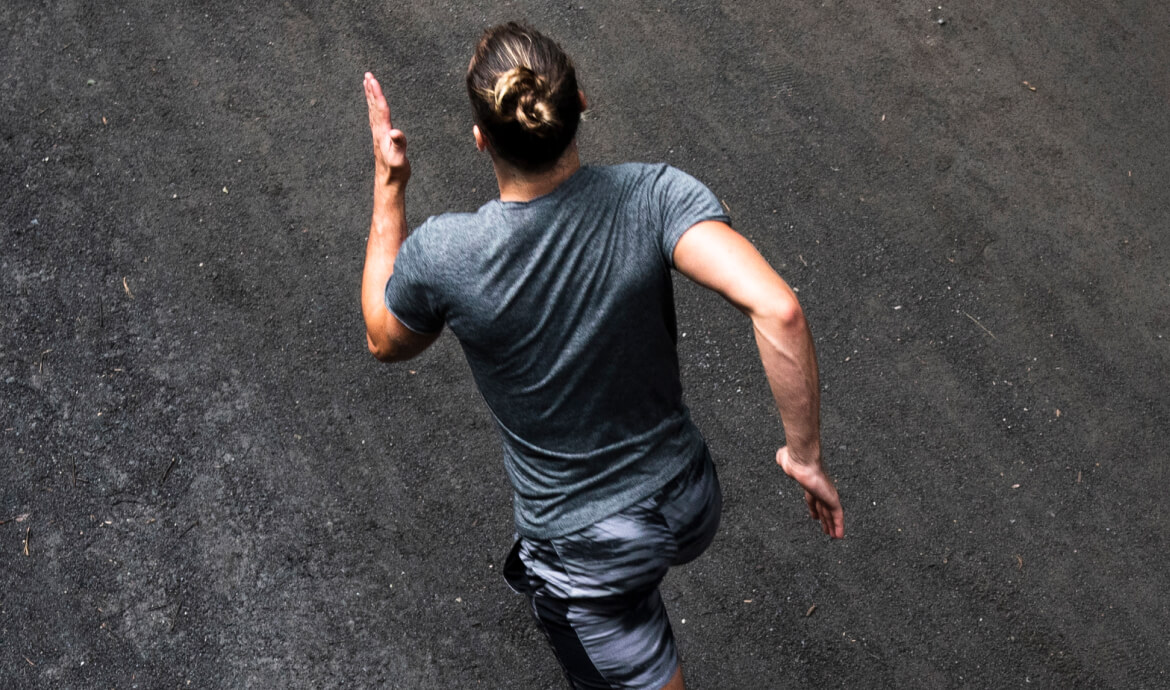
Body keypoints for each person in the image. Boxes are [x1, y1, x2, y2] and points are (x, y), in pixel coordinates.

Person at [360, 22, 844, 690]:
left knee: (597, 601)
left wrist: (390, 184)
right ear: (580, 102)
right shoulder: (653, 196)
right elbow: (778, 309)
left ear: (481, 139)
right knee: (609, 562)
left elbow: (385, 339)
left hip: (590, 547)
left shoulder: (447, 255)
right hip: (689, 500)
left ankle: (580, 591)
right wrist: (804, 457)